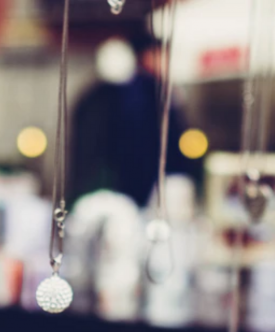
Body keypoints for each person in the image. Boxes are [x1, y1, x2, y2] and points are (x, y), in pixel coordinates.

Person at [70, 32, 196, 207]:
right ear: (147, 56)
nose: (167, 62)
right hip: (143, 183)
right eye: (162, 55)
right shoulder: (143, 91)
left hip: (141, 182)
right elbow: (140, 143)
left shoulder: (151, 90)